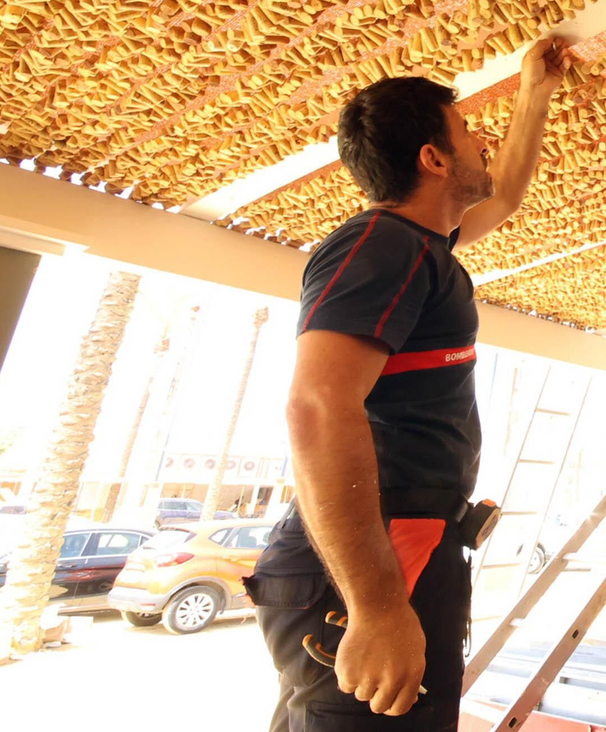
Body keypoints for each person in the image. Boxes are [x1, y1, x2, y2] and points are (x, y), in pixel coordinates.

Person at [243, 37, 571, 732]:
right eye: (467, 131)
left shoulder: (426, 248)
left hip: (406, 543)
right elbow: (317, 404)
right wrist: (377, 605)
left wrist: (534, 91)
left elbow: (505, 193)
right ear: (433, 158)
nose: (483, 140)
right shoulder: (378, 244)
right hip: (376, 556)